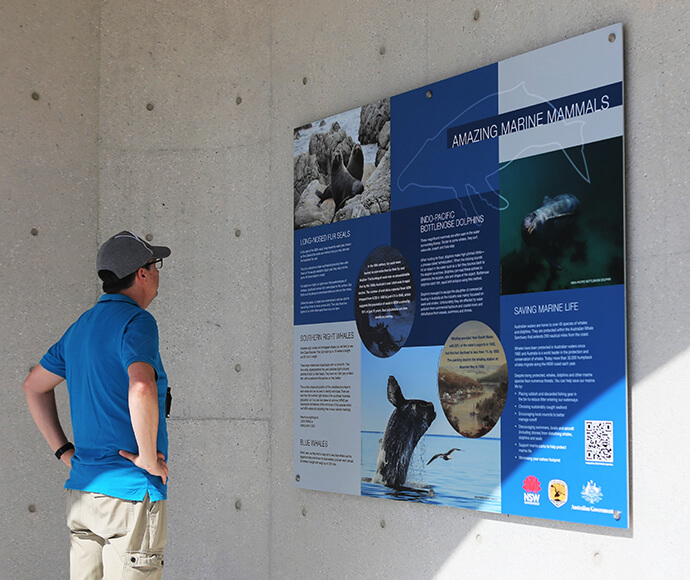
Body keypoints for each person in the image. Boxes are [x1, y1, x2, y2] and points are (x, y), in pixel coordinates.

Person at [23, 230, 172, 580]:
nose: (158, 273)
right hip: (129, 496)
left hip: (84, 494)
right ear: (142, 273)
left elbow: (33, 386)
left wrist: (64, 451)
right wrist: (148, 458)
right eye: (156, 264)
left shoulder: (80, 328)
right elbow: (141, 385)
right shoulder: (137, 321)